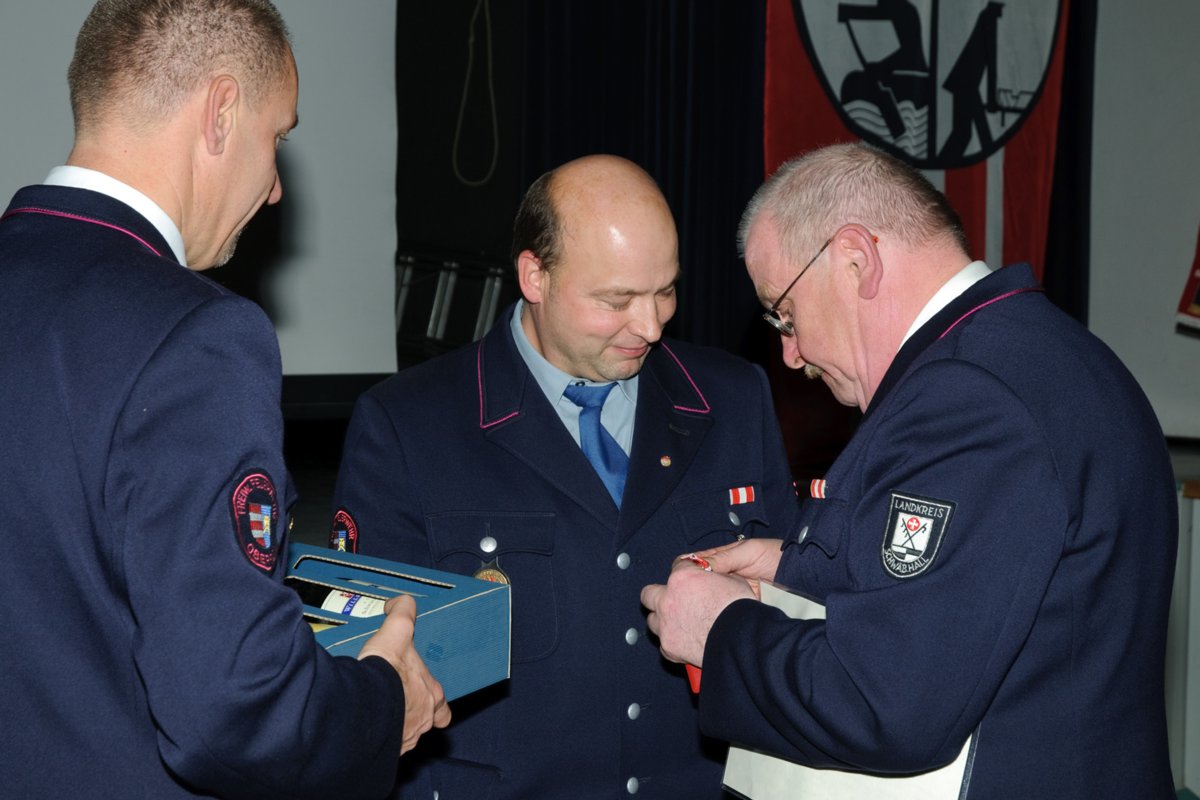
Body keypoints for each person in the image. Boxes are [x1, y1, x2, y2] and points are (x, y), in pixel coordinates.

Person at [0, 2, 448, 798]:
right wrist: (384, 699)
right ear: (220, 113)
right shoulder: (195, 338)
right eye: (278, 138)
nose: (276, 188)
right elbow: (233, 709)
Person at [641, 142, 1178, 798]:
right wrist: (795, 567)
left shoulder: (969, 398)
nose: (789, 352)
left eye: (784, 313)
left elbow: (885, 699)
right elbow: (995, 591)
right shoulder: (1049, 354)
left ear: (855, 259)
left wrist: (720, 629)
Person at [330, 154, 799, 798]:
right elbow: (376, 680)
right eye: (617, 300)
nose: (652, 325)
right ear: (535, 276)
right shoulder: (409, 427)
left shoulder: (732, 400)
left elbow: (791, 611)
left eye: (665, 289)